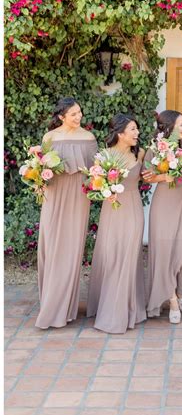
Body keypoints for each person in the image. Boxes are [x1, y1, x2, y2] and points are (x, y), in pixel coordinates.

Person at [35, 97, 97, 329]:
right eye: (73, 114)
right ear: (61, 117)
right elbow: (40, 168)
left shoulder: (88, 138)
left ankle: (64, 308)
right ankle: (50, 302)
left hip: (78, 196)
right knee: (50, 245)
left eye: (79, 112)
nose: (78, 116)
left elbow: (95, 171)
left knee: (70, 247)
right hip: (53, 195)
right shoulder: (49, 137)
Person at [87, 113, 146, 333]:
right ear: (120, 133)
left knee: (129, 255)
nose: (137, 133)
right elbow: (94, 184)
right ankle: (109, 307)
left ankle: (129, 308)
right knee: (112, 255)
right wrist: (104, 190)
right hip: (112, 210)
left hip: (133, 208)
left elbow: (148, 176)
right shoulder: (104, 155)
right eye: (133, 129)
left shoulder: (140, 153)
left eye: (137, 129)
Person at [142, 110, 182, 324]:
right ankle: (172, 299)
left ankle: (180, 288)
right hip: (163, 205)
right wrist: (167, 175)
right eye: (181, 125)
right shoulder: (154, 149)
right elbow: (147, 177)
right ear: (168, 127)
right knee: (164, 254)